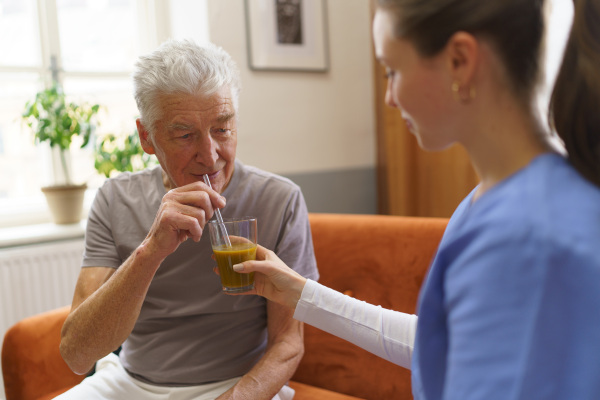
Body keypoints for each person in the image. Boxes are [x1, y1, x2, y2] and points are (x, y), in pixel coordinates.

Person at [229, 0, 600, 399]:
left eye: (392, 70)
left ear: (460, 59)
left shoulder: (524, 236)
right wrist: (300, 294)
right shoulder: (492, 200)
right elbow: (444, 343)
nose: (389, 96)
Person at [57, 39, 319, 400]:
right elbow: (77, 354)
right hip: (128, 382)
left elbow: (289, 342)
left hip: (235, 385)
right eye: (185, 135)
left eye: (222, 129)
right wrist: (151, 250)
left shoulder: (278, 199)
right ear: (147, 137)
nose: (210, 157)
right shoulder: (115, 199)